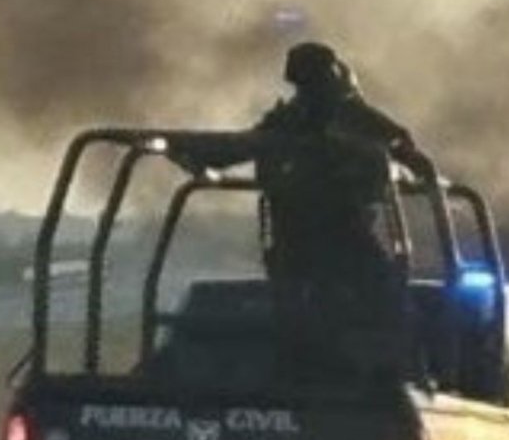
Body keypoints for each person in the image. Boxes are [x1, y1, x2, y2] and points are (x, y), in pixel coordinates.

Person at [174, 43, 431, 381]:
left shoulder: (352, 120)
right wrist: (193, 154)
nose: (312, 93)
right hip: (311, 235)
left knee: (379, 302)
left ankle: (390, 371)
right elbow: (242, 147)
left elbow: (406, 152)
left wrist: (404, 164)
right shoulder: (289, 122)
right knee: (328, 308)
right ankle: (322, 372)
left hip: (338, 234)